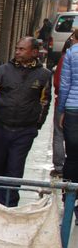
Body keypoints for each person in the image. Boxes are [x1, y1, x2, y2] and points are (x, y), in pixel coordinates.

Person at [0, 36, 51, 206]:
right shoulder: (2, 71)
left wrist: (37, 125)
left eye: (22, 49)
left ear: (34, 52)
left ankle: (8, 205)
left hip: (24, 132)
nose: (17, 52)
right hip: (0, 128)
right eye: (17, 48)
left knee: (14, 170)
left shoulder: (44, 75)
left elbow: (44, 102)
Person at [50, 28, 78, 175]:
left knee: (72, 154)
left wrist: (61, 110)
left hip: (72, 108)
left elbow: (64, 85)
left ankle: (68, 187)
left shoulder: (70, 54)